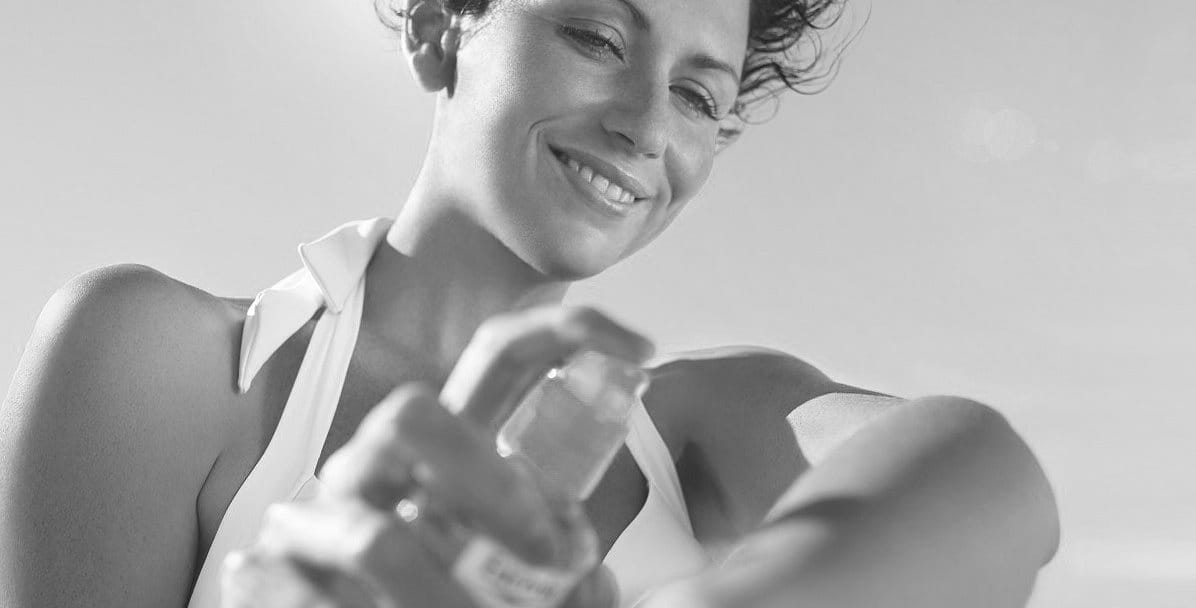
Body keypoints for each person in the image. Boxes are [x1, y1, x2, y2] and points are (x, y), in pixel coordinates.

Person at [0, 0, 1059, 606]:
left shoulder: (696, 423)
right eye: (598, 37)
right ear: (437, 29)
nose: (646, 125)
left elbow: (991, 477)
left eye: (699, 95)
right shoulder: (162, 360)